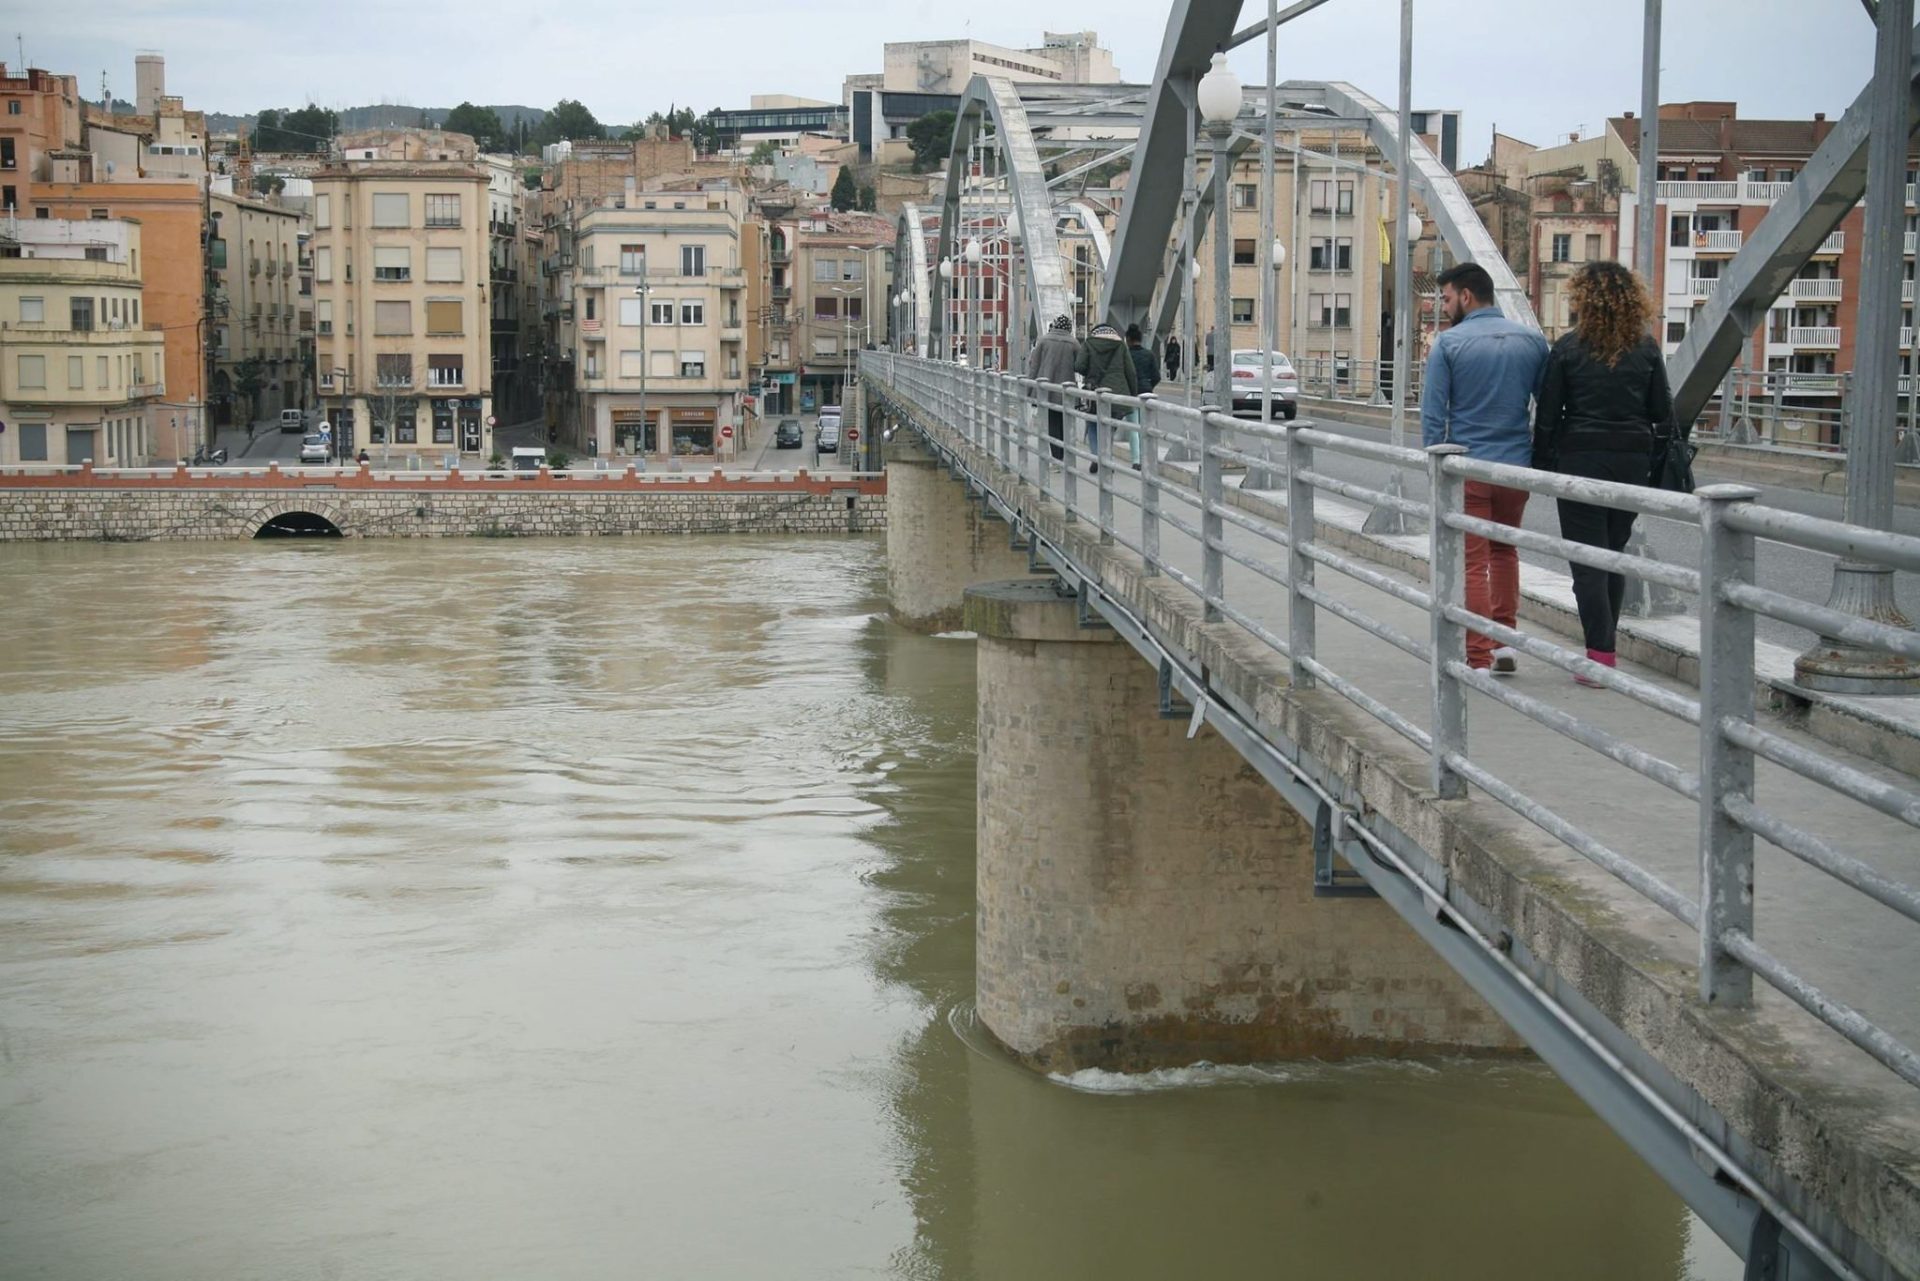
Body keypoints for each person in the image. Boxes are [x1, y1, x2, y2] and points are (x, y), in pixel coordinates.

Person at [1532, 261, 1672, 685]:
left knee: (1587, 561)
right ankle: (1604, 649)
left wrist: (1541, 464)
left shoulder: (1569, 347)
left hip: (1581, 459)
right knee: (1612, 553)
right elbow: (1662, 414)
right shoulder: (1647, 348)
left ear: (1583, 299)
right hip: (1631, 461)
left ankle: (1600, 654)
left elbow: (1549, 414)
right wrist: (1655, 464)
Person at [1420, 261, 1550, 674]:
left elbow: (1432, 415)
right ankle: (1504, 645)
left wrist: (1435, 466)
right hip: (1515, 467)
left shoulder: (1449, 344)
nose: (1444, 307)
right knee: (1505, 552)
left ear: (1466, 296)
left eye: (1446, 298)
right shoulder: (1532, 342)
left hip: (1469, 466)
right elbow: (1546, 407)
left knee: (1473, 562)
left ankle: (1477, 655)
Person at [1074, 321, 1138, 475]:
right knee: (1109, 427)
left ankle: (1097, 457)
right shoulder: (1121, 346)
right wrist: (1133, 395)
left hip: (1095, 391)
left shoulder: (1089, 343)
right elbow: (1130, 371)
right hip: (1117, 393)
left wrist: (1091, 371)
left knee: (1093, 425)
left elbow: (1079, 366)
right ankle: (1107, 459)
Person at [1027, 314, 1080, 461]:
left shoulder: (1044, 341)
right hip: (1066, 391)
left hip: (1047, 389)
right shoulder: (1074, 343)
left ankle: (1057, 457)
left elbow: (1034, 366)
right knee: (1065, 423)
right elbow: (1080, 365)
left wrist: (1028, 388)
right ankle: (1065, 454)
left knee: (1052, 424)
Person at [1124, 323, 1160, 469]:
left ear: (1128, 339)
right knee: (1147, 428)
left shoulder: (1126, 355)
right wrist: (1149, 387)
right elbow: (1156, 376)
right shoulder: (1149, 354)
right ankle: (1148, 457)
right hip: (1147, 393)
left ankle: (1136, 460)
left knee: (1134, 428)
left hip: (1131, 393)